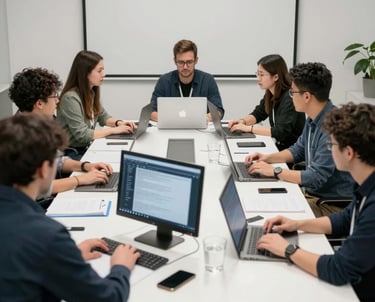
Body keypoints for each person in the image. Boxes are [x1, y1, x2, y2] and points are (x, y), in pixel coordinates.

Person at [0, 113, 140, 301]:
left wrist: (65, 258)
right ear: (43, 169)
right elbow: (108, 298)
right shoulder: (46, 236)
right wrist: (121, 267)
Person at [256, 103, 375, 301]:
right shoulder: (366, 182)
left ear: (349, 153)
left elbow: (339, 269)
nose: (329, 150)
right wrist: (297, 224)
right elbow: (346, 219)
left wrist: (288, 250)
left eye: (332, 145)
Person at [245, 62, 354, 217]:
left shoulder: (333, 128)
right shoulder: (314, 118)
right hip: (312, 194)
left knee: (268, 216)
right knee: (259, 201)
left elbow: (315, 177)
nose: (291, 96)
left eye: (293, 92)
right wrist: (268, 158)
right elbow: (298, 150)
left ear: (307, 96)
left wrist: (275, 171)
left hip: (331, 205)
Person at [8, 67, 112, 199]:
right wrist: (80, 180)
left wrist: (85, 165)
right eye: (54, 96)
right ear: (39, 103)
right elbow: (38, 189)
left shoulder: (41, 125)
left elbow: (57, 161)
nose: (58, 101)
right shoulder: (20, 137)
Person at [56, 50, 136, 160]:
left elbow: (104, 117)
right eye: (99, 71)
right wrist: (114, 130)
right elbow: (82, 135)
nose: (104, 74)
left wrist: (119, 123)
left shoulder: (91, 93)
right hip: (71, 153)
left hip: (85, 148)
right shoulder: (70, 98)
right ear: (86, 73)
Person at [228, 54, 306, 150]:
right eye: (258, 74)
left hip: (291, 152)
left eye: (262, 75)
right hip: (279, 146)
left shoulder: (290, 98)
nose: (258, 78)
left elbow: (280, 132)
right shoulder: (271, 92)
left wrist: (248, 128)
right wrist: (243, 121)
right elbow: (259, 113)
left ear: (276, 77)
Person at [150, 39, 225, 122]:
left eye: (189, 62)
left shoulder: (208, 80)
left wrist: (203, 119)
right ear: (175, 61)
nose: (185, 67)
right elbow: (151, 112)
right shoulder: (164, 81)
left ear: (196, 60)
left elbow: (219, 111)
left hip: (200, 130)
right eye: (181, 62)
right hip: (171, 129)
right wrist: (175, 119)